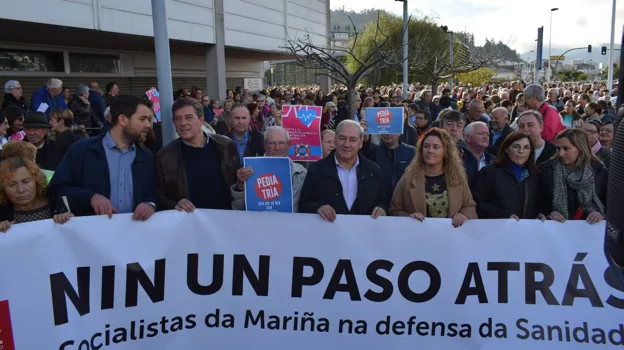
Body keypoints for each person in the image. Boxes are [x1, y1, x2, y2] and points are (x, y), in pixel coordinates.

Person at [49, 95, 157, 220]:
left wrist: (151, 205)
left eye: (149, 119)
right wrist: (90, 197)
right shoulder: (82, 150)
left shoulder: (147, 157)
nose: (148, 125)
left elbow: (154, 195)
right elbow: (58, 189)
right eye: (142, 119)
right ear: (122, 119)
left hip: (134, 233)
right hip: (91, 234)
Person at [155, 97, 241, 212]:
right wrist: (175, 204)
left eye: (188, 117)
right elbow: (159, 196)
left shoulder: (225, 145)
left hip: (224, 221)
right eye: (178, 119)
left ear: (201, 119)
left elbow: (236, 183)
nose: (183, 123)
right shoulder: (164, 156)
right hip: (189, 223)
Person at [299, 120, 387, 221]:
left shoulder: (373, 171)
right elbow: (304, 204)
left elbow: (383, 202)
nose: (346, 144)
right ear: (335, 139)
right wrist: (318, 207)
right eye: (342, 138)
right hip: (327, 233)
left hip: (364, 233)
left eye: (352, 139)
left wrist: (382, 209)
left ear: (360, 143)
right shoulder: (317, 170)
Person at [389, 128, 476, 227]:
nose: (430, 150)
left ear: (445, 151)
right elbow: (394, 210)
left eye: (435, 147)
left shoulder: (457, 177)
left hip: (450, 237)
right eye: (426, 146)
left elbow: (470, 206)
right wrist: (409, 217)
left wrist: (464, 214)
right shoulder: (408, 178)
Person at [539, 128, 607, 224]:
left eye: (566, 148)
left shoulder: (599, 171)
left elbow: (611, 203)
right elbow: (539, 200)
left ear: (580, 148)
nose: (561, 153)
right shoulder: (547, 169)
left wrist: (601, 215)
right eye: (558, 148)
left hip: (590, 229)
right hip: (556, 228)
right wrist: (548, 213)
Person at [235, 126, 307, 212]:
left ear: (289, 144)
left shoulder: (301, 173)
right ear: (265, 145)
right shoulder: (249, 170)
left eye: (281, 143)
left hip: (290, 224)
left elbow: (308, 205)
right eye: (272, 143)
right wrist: (240, 185)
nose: (277, 148)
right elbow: (237, 208)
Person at [473, 131, 540, 219]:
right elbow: (477, 203)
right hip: (497, 229)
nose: (521, 151)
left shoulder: (534, 175)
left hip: (526, 230)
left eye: (526, 147)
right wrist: (505, 215)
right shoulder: (489, 173)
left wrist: (541, 213)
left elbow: (541, 203)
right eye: (516, 146)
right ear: (506, 149)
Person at [0, 157, 73, 233]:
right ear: (2, 188)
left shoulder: (60, 202)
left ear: (37, 181)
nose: (20, 190)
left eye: (26, 182)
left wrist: (71, 221)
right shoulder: (2, 211)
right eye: (12, 184)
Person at [360, 124, 416, 207]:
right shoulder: (373, 151)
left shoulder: (412, 152)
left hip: (404, 204)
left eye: (392, 130)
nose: (388, 133)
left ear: (400, 131)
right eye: (384, 129)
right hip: (379, 205)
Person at [462, 121, 495, 188]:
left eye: (487, 134)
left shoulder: (494, 160)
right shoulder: (458, 158)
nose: (485, 137)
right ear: (468, 137)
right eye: (481, 133)